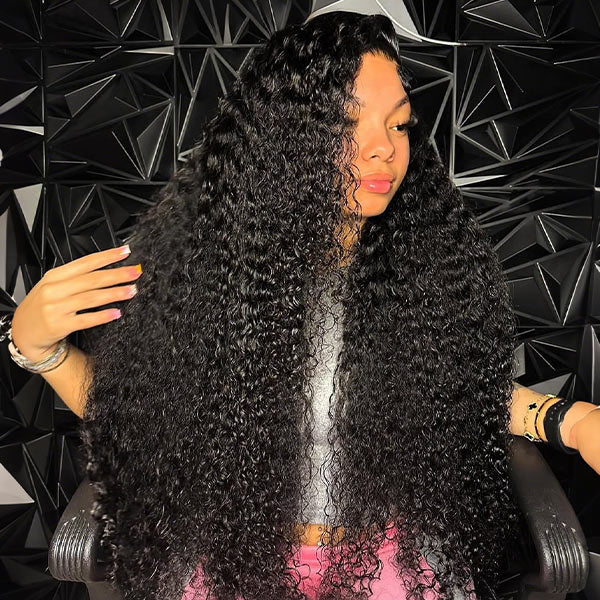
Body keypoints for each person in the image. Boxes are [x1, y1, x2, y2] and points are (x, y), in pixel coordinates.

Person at [4, 10, 600, 600]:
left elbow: (460, 395)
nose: (383, 149)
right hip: (234, 558)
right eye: (345, 123)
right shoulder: (202, 273)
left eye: (398, 125)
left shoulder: (424, 274)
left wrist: (573, 423)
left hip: (386, 559)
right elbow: (135, 411)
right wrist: (39, 349)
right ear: (287, 137)